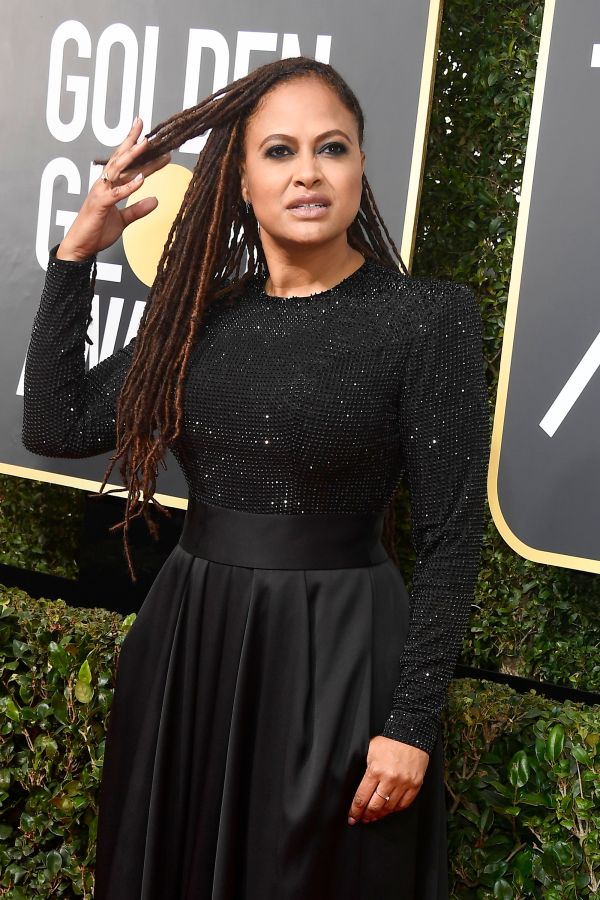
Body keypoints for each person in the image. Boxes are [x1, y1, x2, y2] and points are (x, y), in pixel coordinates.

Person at [22, 57, 489, 900]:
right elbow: (55, 424)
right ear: (239, 180)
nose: (308, 172)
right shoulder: (200, 320)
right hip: (192, 651)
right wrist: (75, 256)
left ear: (360, 168)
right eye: (279, 152)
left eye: (332, 148)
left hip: (345, 658)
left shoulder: (427, 320)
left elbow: (454, 537)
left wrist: (412, 724)